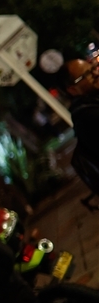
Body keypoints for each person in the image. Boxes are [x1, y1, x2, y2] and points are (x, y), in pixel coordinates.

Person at [65, 58, 99, 210]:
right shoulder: (87, 116)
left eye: (93, 68)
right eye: (87, 74)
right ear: (73, 89)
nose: (96, 73)